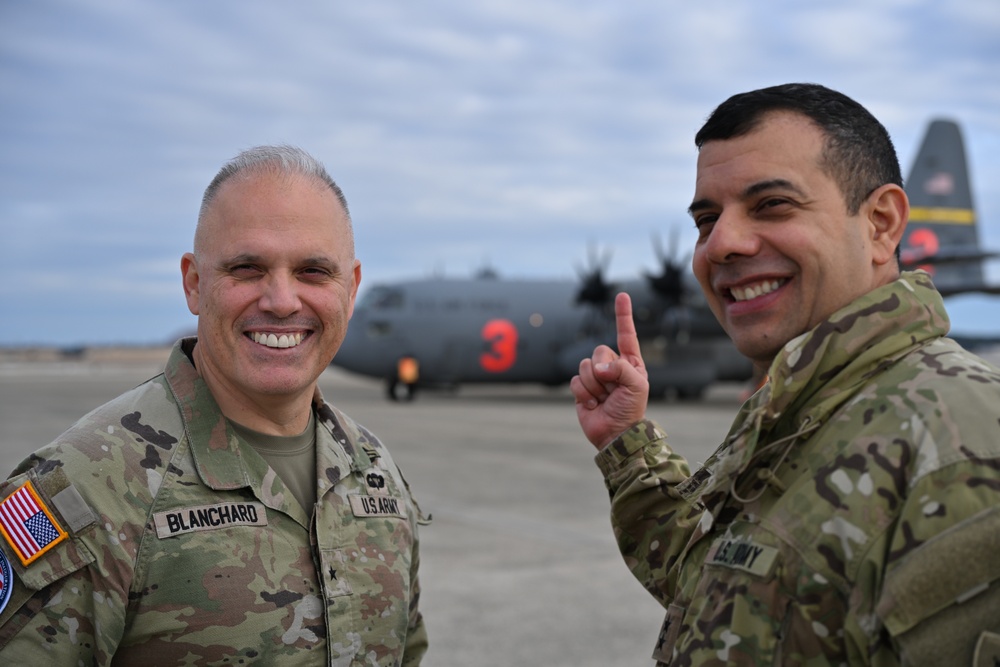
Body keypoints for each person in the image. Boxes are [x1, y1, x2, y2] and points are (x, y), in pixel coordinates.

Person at [572, 83, 1000, 666]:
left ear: (881, 223)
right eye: (705, 218)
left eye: (772, 204)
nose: (721, 243)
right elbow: (718, 585)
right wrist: (627, 445)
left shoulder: (963, 456)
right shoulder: (802, 409)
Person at [0, 146, 429, 665]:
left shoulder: (374, 472)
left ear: (351, 288)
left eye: (314, 271)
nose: (282, 300)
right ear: (194, 283)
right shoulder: (84, 489)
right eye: (247, 268)